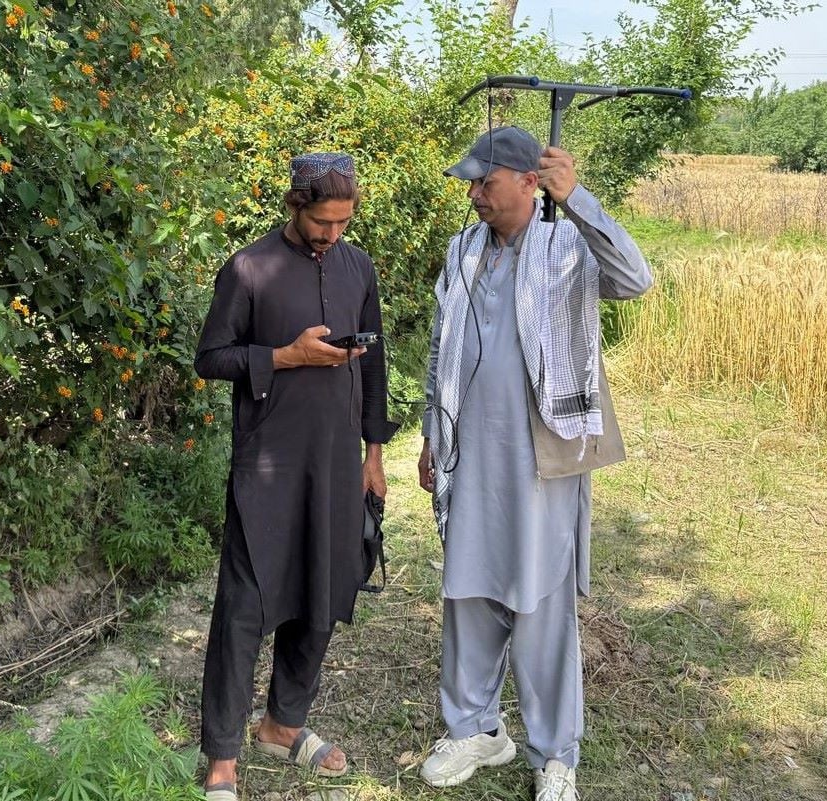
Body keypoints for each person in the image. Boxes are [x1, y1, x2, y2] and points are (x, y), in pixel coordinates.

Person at [416, 126, 653, 801]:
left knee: (542, 602)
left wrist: (576, 198)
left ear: (528, 181)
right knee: (467, 589)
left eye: (483, 183)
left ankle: (555, 754)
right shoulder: (464, 249)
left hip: (542, 456)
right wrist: (432, 434)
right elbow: (441, 346)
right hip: (470, 451)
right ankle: (475, 729)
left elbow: (635, 278)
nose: (472, 195)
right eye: (469, 182)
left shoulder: (566, 245)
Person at [195, 152, 398, 801]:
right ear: (294, 204)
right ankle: (221, 757)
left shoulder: (356, 264)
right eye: (322, 221)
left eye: (342, 223)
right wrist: (285, 355)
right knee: (244, 607)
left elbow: (373, 363)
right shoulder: (249, 268)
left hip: (337, 461)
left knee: (320, 593)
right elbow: (211, 357)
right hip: (267, 464)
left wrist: (373, 452)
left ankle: (283, 724)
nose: (331, 234)